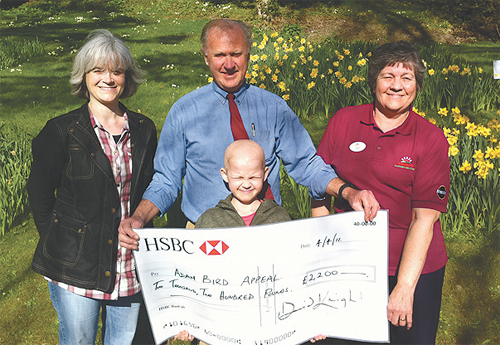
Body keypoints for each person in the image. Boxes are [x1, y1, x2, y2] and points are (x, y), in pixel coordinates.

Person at [118, 18, 379, 252]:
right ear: (206, 57)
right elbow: (167, 179)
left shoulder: (274, 108)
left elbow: (307, 165)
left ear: (249, 54)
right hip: (207, 240)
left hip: (269, 234)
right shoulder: (185, 112)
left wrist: (348, 193)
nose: (229, 64)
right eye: (220, 55)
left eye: (236, 54)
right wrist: (139, 217)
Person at [312, 41, 450, 344]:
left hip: (410, 267)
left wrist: (403, 286)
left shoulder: (429, 138)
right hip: (349, 261)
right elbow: (318, 189)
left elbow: (424, 220)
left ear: (417, 86)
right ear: (374, 81)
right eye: (388, 76)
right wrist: (322, 261)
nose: (396, 86)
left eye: (406, 78)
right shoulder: (344, 121)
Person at [27, 29, 157, 345]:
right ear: (84, 75)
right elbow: (39, 194)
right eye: (98, 70)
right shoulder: (61, 131)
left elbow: (152, 185)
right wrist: (59, 241)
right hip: (74, 265)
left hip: (127, 262)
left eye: (116, 70)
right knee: (79, 340)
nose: (108, 79)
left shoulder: (143, 129)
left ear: (127, 76)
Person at [173, 140, 291, 343]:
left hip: (268, 327)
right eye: (238, 177)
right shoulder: (210, 220)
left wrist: (309, 320)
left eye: (254, 177)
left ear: (265, 173)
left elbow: (293, 271)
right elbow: (193, 274)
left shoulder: (279, 218)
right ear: (225, 175)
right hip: (219, 328)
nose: (246, 183)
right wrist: (188, 319)